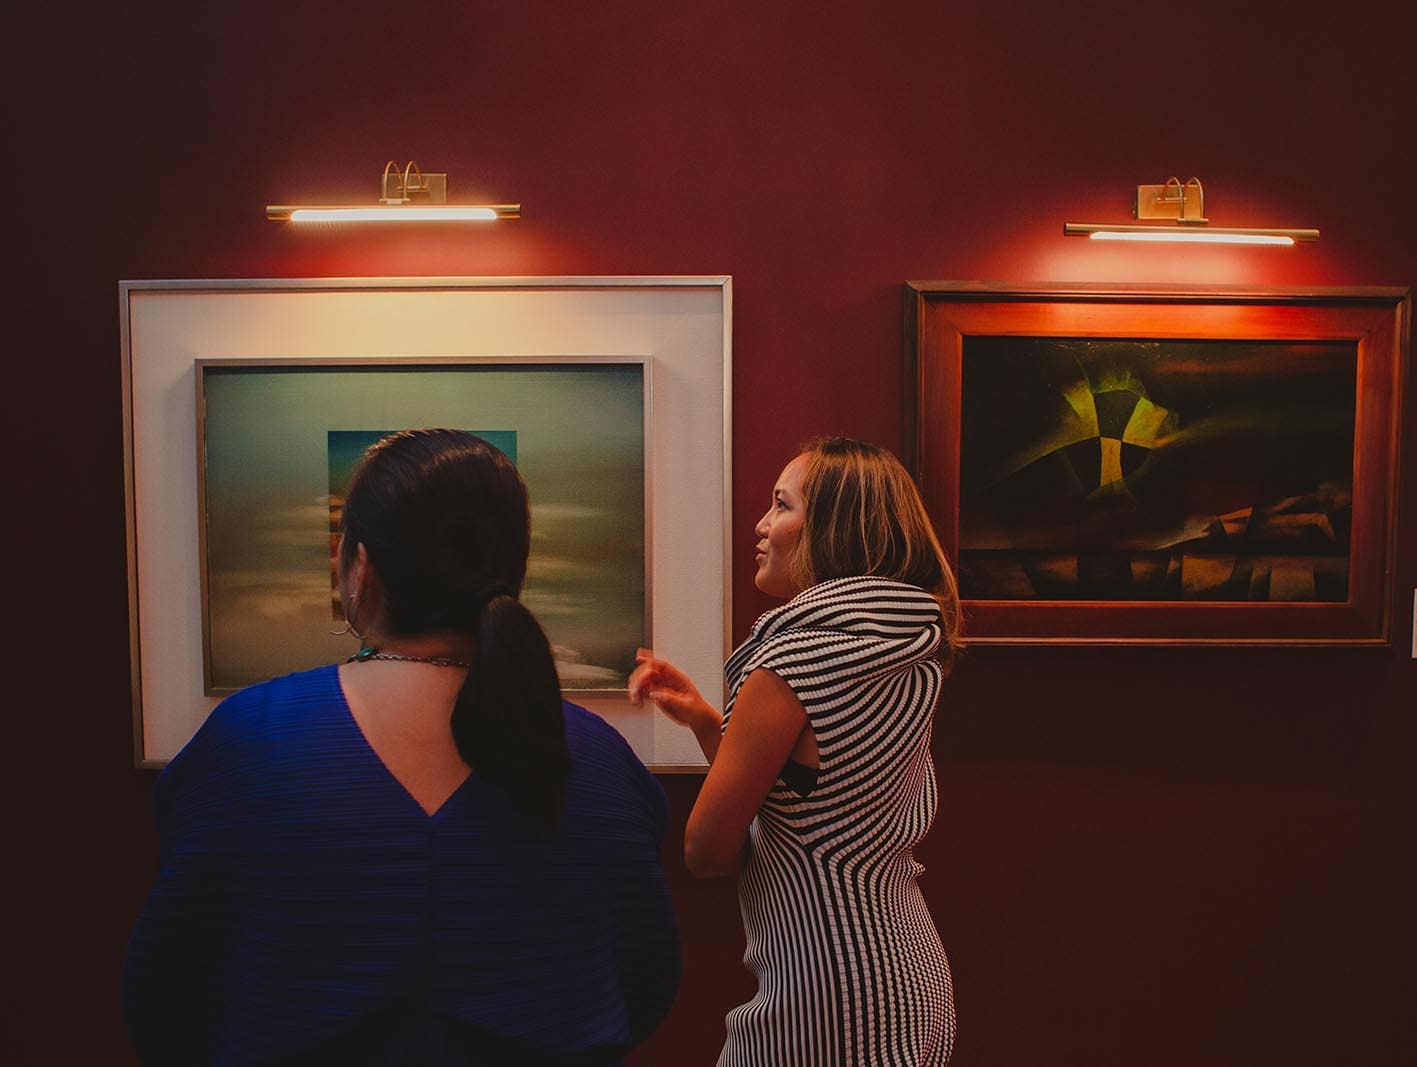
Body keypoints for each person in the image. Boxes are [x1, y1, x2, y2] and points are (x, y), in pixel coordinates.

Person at [124, 428, 679, 1066]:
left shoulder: (251, 740)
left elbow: (164, 995)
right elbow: (645, 985)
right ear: (511, 570)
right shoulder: (601, 762)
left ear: (360, 568)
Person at [629, 434, 959, 1066]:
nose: (761, 524)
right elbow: (812, 799)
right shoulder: (901, 646)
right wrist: (706, 721)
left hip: (829, 988)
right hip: (905, 975)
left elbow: (706, 851)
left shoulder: (790, 662)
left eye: (781, 505)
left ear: (833, 530)